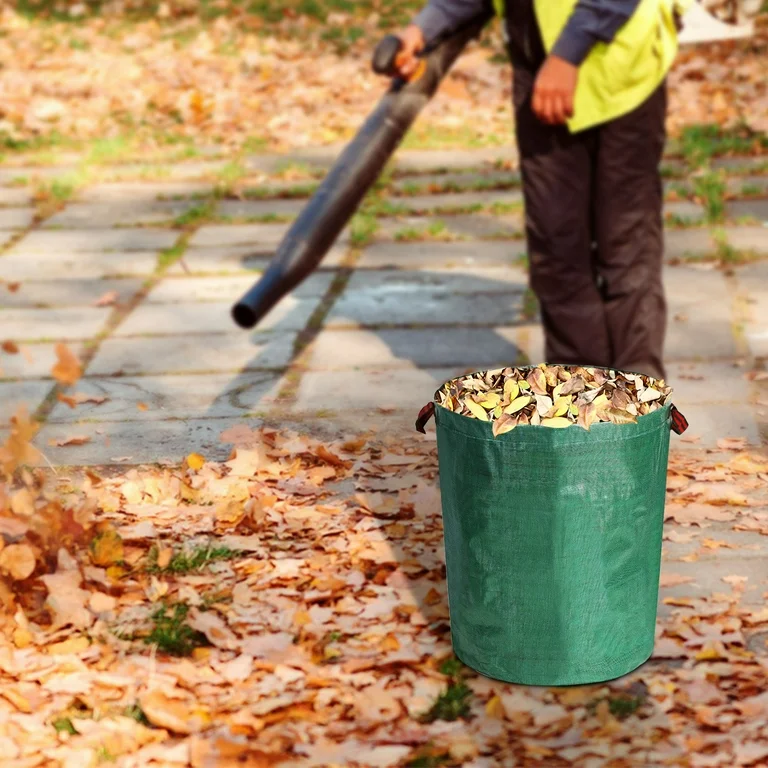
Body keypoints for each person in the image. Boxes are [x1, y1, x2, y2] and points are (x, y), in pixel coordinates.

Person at [392, 0, 690, 381]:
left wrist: (568, 55)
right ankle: (579, 396)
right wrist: (425, 26)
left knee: (625, 244)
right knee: (555, 245)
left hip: (617, 68)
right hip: (539, 73)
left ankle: (640, 404)